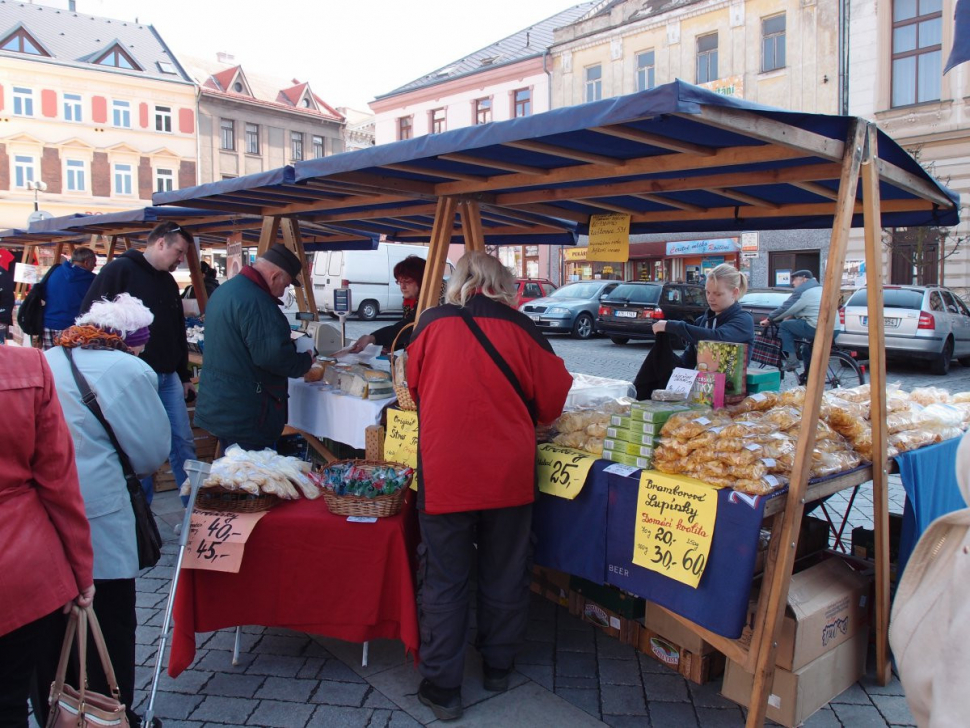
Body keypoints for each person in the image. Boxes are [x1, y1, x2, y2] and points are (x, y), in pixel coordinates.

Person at [406, 251, 572, 721]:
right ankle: (498, 666)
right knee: (505, 570)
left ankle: (443, 687)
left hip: (446, 473)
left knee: (445, 577)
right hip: (508, 474)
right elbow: (554, 398)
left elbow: (414, 388)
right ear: (504, 284)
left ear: (459, 281)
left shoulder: (430, 324)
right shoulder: (522, 328)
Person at [41, 293, 170, 728]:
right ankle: (109, 715)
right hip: (99, 516)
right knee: (110, 622)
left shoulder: (47, 359)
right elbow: (151, 454)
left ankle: (56, 709)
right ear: (131, 339)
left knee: (52, 626)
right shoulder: (129, 370)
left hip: (43, 517)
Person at [0, 346, 95, 728]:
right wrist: (80, 571)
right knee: (9, 698)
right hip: (18, 564)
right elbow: (58, 481)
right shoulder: (24, 367)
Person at [81, 222, 195, 505]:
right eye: (178, 251)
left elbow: (177, 330)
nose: (180, 259)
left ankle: (195, 510)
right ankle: (140, 515)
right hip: (133, 377)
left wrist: (183, 375)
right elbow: (89, 319)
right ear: (160, 244)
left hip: (168, 377)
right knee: (138, 446)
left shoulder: (169, 282)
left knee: (182, 439)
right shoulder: (118, 271)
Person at [195, 243, 314, 452]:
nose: (284, 291)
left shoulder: (226, 290)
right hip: (246, 412)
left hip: (223, 404)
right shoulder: (257, 301)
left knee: (235, 475)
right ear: (275, 276)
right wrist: (305, 361)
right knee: (251, 476)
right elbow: (273, 357)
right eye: (286, 285)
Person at [348, 255, 426, 353]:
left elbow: (407, 327)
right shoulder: (411, 302)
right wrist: (393, 346)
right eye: (400, 281)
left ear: (422, 281)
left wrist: (372, 338)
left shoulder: (430, 304)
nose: (403, 286)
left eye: (407, 281)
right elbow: (408, 334)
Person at [762, 270, 822, 372]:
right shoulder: (819, 288)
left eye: (794, 280)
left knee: (785, 326)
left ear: (804, 279)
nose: (792, 283)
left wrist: (769, 318)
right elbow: (803, 308)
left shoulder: (802, 290)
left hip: (815, 327)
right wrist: (791, 315)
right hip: (830, 327)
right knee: (807, 350)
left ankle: (792, 361)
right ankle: (808, 376)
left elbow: (786, 307)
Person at [42, 246, 97, 350]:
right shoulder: (92, 280)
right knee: (70, 363)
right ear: (86, 262)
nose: (95, 265)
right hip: (72, 328)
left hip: (48, 325)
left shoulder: (55, 271)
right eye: (94, 262)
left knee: (49, 362)